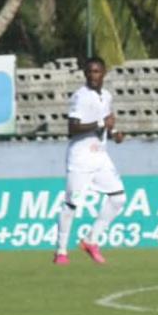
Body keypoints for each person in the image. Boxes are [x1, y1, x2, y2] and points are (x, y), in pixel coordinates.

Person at [54, 56, 125, 265]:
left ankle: (91, 240)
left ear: (104, 73)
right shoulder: (80, 97)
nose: (93, 75)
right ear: (85, 74)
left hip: (100, 156)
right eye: (90, 72)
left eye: (97, 71)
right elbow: (72, 128)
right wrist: (101, 122)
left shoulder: (106, 96)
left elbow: (107, 124)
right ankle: (61, 251)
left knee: (118, 198)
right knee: (72, 204)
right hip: (80, 158)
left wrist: (116, 133)